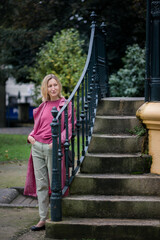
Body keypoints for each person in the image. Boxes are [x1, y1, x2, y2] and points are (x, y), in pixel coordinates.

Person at [24, 74, 75, 231]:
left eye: (55, 85)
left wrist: (57, 141)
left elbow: (70, 127)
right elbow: (40, 126)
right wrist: (31, 136)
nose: (53, 88)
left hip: (53, 147)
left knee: (55, 184)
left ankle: (56, 215)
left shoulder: (66, 105)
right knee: (41, 185)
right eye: (50, 86)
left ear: (59, 86)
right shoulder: (43, 105)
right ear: (46, 88)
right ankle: (42, 219)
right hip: (37, 146)